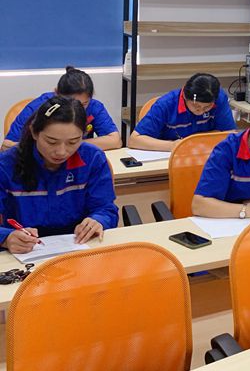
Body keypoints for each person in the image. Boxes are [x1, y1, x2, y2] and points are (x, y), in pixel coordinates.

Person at [0, 96, 118, 253]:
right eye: (51, 142)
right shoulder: (6, 164)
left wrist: (98, 220)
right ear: (34, 132)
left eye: (73, 142)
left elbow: (106, 208)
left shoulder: (92, 158)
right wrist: (6, 237)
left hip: (79, 247)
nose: (61, 152)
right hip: (24, 251)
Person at [2, 66, 121, 151]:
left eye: (83, 104)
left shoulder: (94, 107)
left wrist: (73, 144)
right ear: (56, 93)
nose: (76, 109)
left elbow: (115, 141)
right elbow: (7, 146)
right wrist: (47, 146)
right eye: (70, 102)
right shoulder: (38, 107)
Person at [128, 73, 236, 151]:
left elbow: (229, 133)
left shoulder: (219, 98)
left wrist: (194, 141)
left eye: (207, 107)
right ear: (184, 95)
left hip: (204, 154)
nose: (200, 111)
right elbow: (134, 140)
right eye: (196, 106)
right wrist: (173, 146)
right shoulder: (165, 104)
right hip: (169, 156)